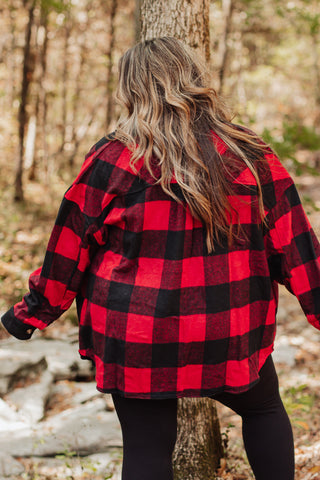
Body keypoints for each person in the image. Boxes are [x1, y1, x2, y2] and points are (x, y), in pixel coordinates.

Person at [2, 36, 320, 480]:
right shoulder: (251, 154)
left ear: (132, 89)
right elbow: (297, 245)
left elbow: (68, 250)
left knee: (147, 447)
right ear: (194, 79)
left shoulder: (114, 157)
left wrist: (29, 314)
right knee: (264, 408)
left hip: (138, 333)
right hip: (227, 329)